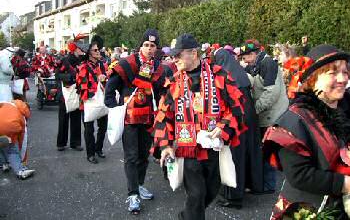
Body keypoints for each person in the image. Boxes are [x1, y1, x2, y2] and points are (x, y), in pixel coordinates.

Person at [153, 34, 246, 220]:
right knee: (196, 195)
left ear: (193, 53)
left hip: (213, 146)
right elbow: (163, 117)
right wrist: (165, 145)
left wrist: (223, 125)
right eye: (173, 56)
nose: (174, 59)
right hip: (188, 150)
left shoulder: (219, 74)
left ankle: (186, 216)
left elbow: (237, 106)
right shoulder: (173, 82)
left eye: (178, 55)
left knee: (210, 192)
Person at [264, 45, 350, 219]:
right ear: (312, 79)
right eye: (333, 73)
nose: (343, 79)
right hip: (308, 210)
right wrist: (345, 184)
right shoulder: (294, 120)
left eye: (345, 71)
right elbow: (300, 175)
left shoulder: (345, 108)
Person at [105, 29, 168, 215]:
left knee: (143, 155)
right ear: (141, 46)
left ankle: (139, 185)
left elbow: (161, 91)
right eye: (146, 45)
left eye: (153, 46)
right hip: (130, 119)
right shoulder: (126, 64)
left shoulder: (158, 67)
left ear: (157, 48)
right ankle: (132, 194)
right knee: (131, 157)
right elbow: (110, 89)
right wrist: (114, 108)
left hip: (148, 118)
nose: (149, 49)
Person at [211, 45, 264, 209]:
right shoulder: (241, 73)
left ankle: (233, 197)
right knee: (249, 153)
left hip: (236, 119)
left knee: (233, 158)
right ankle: (252, 185)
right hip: (250, 117)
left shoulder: (225, 75)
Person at [240, 39, 289, 193]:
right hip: (266, 113)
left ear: (253, 54)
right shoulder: (255, 66)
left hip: (273, 114)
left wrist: (254, 109)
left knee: (267, 150)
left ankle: (268, 186)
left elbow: (272, 92)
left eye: (246, 57)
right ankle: (264, 183)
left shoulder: (268, 64)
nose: (244, 61)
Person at [76, 41, 108, 164]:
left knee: (103, 127)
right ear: (89, 53)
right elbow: (81, 86)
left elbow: (107, 81)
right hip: (88, 102)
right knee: (89, 130)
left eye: (98, 49)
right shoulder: (83, 66)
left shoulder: (102, 65)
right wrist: (96, 82)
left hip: (101, 100)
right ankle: (90, 154)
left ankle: (98, 148)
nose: (98, 51)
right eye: (95, 50)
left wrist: (104, 80)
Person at [55, 40, 87, 152]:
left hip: (77, 92)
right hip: (65, 93)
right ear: (74, 49)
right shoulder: (65, 60)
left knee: (76, 118)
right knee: (63, 119)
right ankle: (61, 143)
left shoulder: (81, 61)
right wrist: (71, 78)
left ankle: (75, 143)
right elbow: (58, 74)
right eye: (79, 48)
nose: (82, 50)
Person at [0, 100, 35, 180]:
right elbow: (23, 140)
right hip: (8, 127)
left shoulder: (7, 103)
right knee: (12, 150)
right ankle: (21, 170)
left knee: (1, 144)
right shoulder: (22, 114)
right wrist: (23, 161)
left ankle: (4, 164)